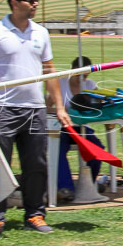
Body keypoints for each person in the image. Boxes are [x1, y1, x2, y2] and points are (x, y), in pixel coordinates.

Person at [0, 0, 72, 240]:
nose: (35, 4)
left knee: (36, 164)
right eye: (30, 0)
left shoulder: (41, 32)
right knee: (0, 165)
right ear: (14, 3)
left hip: (34, 109)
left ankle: (34, 214)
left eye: (36, 0)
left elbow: (50, 71)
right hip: (1, 108)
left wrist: (59, 106)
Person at [49, 55, 107, 201]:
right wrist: (61, 111)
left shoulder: (91, 86)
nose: (81, 78)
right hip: (63, 128)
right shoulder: (60, 84)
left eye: (85, 75)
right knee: (58, 150)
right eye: (78, 74)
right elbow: (46, 106)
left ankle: (90, 184)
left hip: (83, 129)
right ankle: (65, 188)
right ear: (72, 70)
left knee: (97, 149)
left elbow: (100, 108)